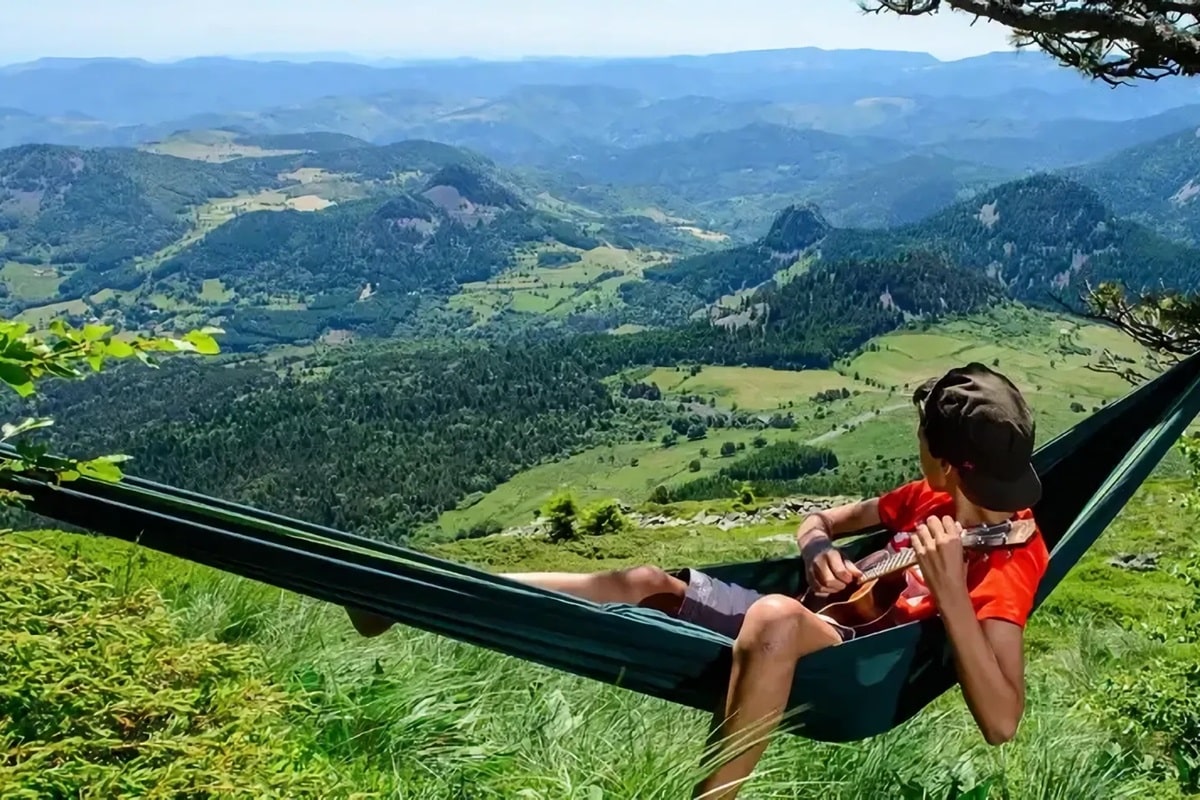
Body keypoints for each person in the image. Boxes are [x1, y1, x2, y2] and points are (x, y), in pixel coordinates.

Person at [346, 362, 1051, 800]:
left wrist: (952, 598)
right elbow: (818, 520)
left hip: (846, 663)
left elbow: (1002, 721)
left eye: (923, 437)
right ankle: (427, 596)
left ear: (951, 462)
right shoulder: (922, 500)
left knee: (774, 618)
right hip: (804, 609)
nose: (916, 446)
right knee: (645, 579)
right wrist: (815, 557)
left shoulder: (1008, 559)